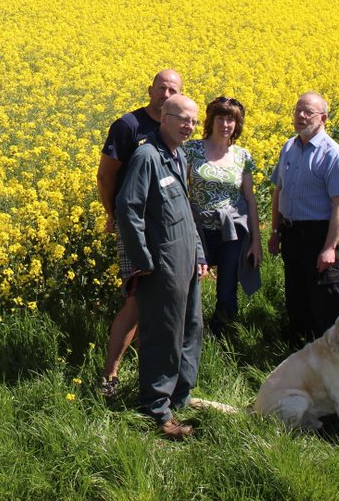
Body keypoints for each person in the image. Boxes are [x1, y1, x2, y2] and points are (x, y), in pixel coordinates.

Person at [115, 94, 208, 440]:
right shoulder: (146, 156)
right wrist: (142, 261)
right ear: (164, 118)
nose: (189, 127)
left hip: (185, 257)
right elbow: (127, 209)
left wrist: (198, 253)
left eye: (194, 122)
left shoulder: (178, 154)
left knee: (190, 329)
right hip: (162, 264)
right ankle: (156, 411)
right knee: (164, 335)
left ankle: (179, 397)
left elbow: (184, 211)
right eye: (183, 119)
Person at [96, 69, 182, 396]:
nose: (165, 93)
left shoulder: (173, 128)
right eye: (161, 87)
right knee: (136, 300)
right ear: (150, 90)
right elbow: (106, 177)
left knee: (157, 299)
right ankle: (110, 376)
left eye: (172, 89)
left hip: (166, 229)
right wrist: (113, 215)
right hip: (136, 227)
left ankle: (147, 369)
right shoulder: (129, 126)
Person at [268, 92, 339, 343]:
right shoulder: (289, 147)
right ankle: (299, 356)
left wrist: (330, 248)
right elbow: (278, 192)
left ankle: (331, 358)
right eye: (298, 111)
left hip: (319, 235)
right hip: (292, 234)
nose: (301, 117)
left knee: (324, 300)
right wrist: (275, 232)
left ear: (323, 118)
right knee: (296, 296)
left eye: (308, 112)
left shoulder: (334, 154)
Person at [183, 96, 262, 337]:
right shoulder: (191, 150)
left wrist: (256, 242)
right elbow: (180, 190)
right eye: (221, 118)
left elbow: (249, 199)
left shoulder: (242, 156)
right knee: (190, 283)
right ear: (211, 120)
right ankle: (189, 333)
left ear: (237, 125)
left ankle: (223, 336)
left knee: (227, 287)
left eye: (231, 120)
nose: (225, 124)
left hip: (232, 230)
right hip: (197, 229)